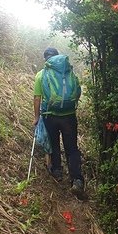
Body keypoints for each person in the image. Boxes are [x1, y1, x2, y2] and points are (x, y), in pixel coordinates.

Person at [33, 47, 86, 199]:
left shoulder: (41, 74)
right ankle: (76, 180)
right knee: (72, 148)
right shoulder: (68, 72)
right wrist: (72, 103)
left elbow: (37, 98)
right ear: (57, 57)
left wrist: (37, 117)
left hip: (50, 116)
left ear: (46, 59)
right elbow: (78, 90)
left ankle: (57, 171)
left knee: (54, 143)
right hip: (69, 116)